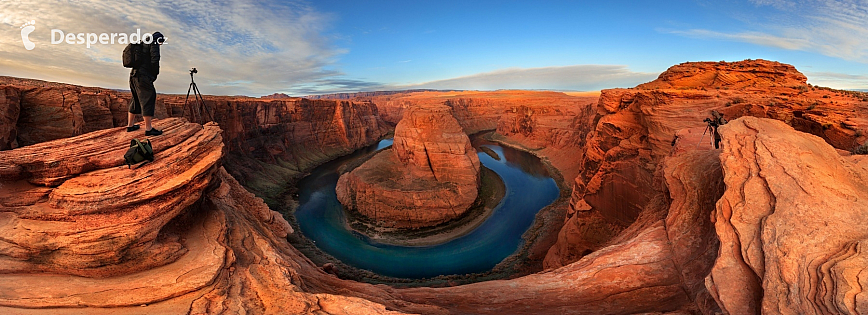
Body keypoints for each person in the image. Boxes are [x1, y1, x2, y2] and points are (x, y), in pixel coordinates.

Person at [126, 31, 165, 136]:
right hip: (143, 76)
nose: (161, 43)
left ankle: (130, 126)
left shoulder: (143, 42)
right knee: (148, 98)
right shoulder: (154, 43)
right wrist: (155, 74)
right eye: (161, 41)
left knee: (135, 99)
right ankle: (148, 129)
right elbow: (155, 59)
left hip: (133, 75)